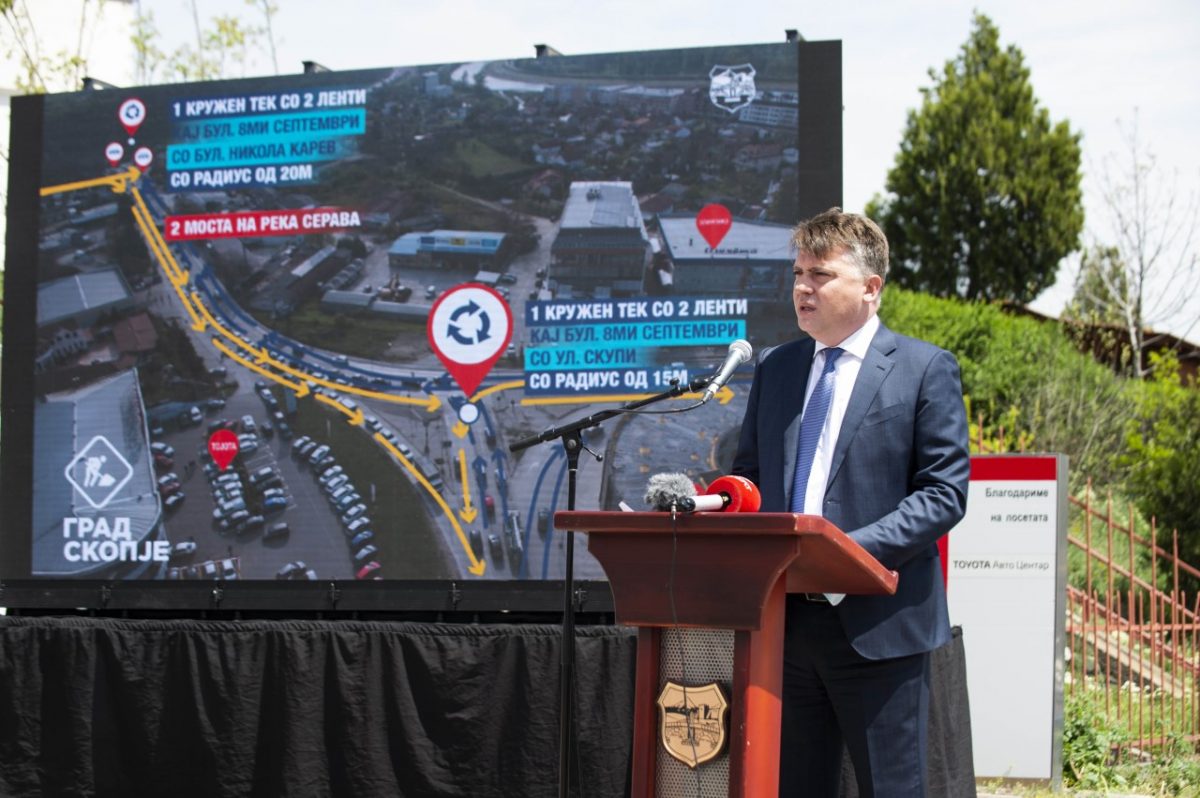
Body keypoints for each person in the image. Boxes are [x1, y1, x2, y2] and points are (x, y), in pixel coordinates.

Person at [731, 208, 970, 797]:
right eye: (797, 274)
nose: (803, 288)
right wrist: (710, 503)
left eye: (821, 275)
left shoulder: (924, 369)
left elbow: (943, 493)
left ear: (870, 287)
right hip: (786, 627)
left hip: (880, 625)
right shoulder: (777, 368)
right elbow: (750, 478)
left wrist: (842, 553)